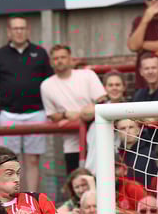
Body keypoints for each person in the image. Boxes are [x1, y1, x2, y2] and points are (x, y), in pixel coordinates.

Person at [0, 16, 53, 193]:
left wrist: (47, 110)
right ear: (9, 32)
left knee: (32, 160)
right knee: (7, 163)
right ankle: (11, 199)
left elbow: (51, 83)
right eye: (15, 28)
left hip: (36, 113)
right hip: (8, 115)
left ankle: (31, 199)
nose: (19, 31)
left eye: (22, 28)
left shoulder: (40, 53)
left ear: (28, 31)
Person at [40, 44, 107, 173]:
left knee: (102, 178)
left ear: (70, 58)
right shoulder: (46, 85)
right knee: (76, 183)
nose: (59, 60)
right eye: (56, 58)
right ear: (51, 62)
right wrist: (65, 114)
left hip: (97, 138)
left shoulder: (87, 75)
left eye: (63, 57)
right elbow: (52, 115)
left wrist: (77, 115)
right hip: (71, 144)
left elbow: (102, 101)